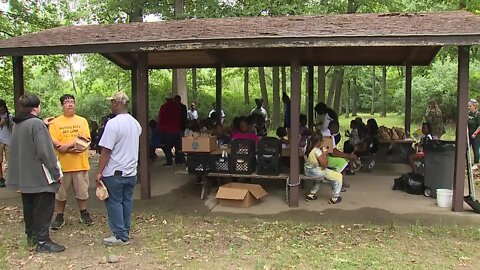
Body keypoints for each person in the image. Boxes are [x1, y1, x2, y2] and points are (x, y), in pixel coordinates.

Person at [8, 94, 65, 253]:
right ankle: (43, 241)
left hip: (25, 177)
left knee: (29, 209)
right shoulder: (36, 124)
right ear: (35, 107)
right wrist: (56, 173)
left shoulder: (18, 125)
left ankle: (31, 238)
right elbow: (45, 152)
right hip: (39, 177)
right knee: (43, 209)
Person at [96, 92, 141, 246]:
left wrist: (99, 172)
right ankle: (125, 231)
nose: (110, 105)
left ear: (116, 103)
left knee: (114, 202)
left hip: (114, 171)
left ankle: (120, 235)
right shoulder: (135, 123)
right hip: (131, 171)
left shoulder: (113, 124)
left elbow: (106, 150)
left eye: (111, 102)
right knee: (127, 201)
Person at [49, 94, 93, 229]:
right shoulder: (55, 122)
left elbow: (84, 140)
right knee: (60, 194)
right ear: (62, 105)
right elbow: (54, 141)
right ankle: (60, 216)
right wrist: (70, 147)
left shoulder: (82, 121)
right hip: (62, 166)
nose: (70, 104)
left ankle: (84, 213)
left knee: (82, 192)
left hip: (80, 164)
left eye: (72, 102)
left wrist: (65, 147)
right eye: (67, 102)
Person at [304, 134, 343, 204]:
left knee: (319, 179)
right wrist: (325, 153)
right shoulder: (317, 151)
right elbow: (325, 165)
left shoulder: (306, 149)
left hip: (308, 171)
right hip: (316, 172)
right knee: (338, 176)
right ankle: (335, 198)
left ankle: (311, 195)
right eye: (322, 140)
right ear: (319, 141)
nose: (323, 142)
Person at [158, 96, 182, 167]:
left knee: (168, 147)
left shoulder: (163, 107)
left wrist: (160, 128)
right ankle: (178, 162)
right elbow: (180, 118)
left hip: (167, 130)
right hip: (176, 130)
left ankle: (169, 162)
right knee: (177, 147)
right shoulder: (177, 107)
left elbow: (160, 118)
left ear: (166, 100)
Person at [0, 99, 12, 188]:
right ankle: (1, 179)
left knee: (10, 160)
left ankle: (12, 179)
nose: (1, 110)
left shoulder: (10, 116)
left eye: (2, 108)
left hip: (8, 140)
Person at [468, 98, 480, 169]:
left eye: (470, 106)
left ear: (474, 106)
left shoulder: (478, 114)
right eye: (468, 106)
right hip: (468, 134)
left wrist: (475, 133)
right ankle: (466, 161)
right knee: (466, 147)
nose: (469, 107)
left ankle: (476, 163)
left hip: (476, 135)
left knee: (475, 149)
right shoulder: (469, 114)